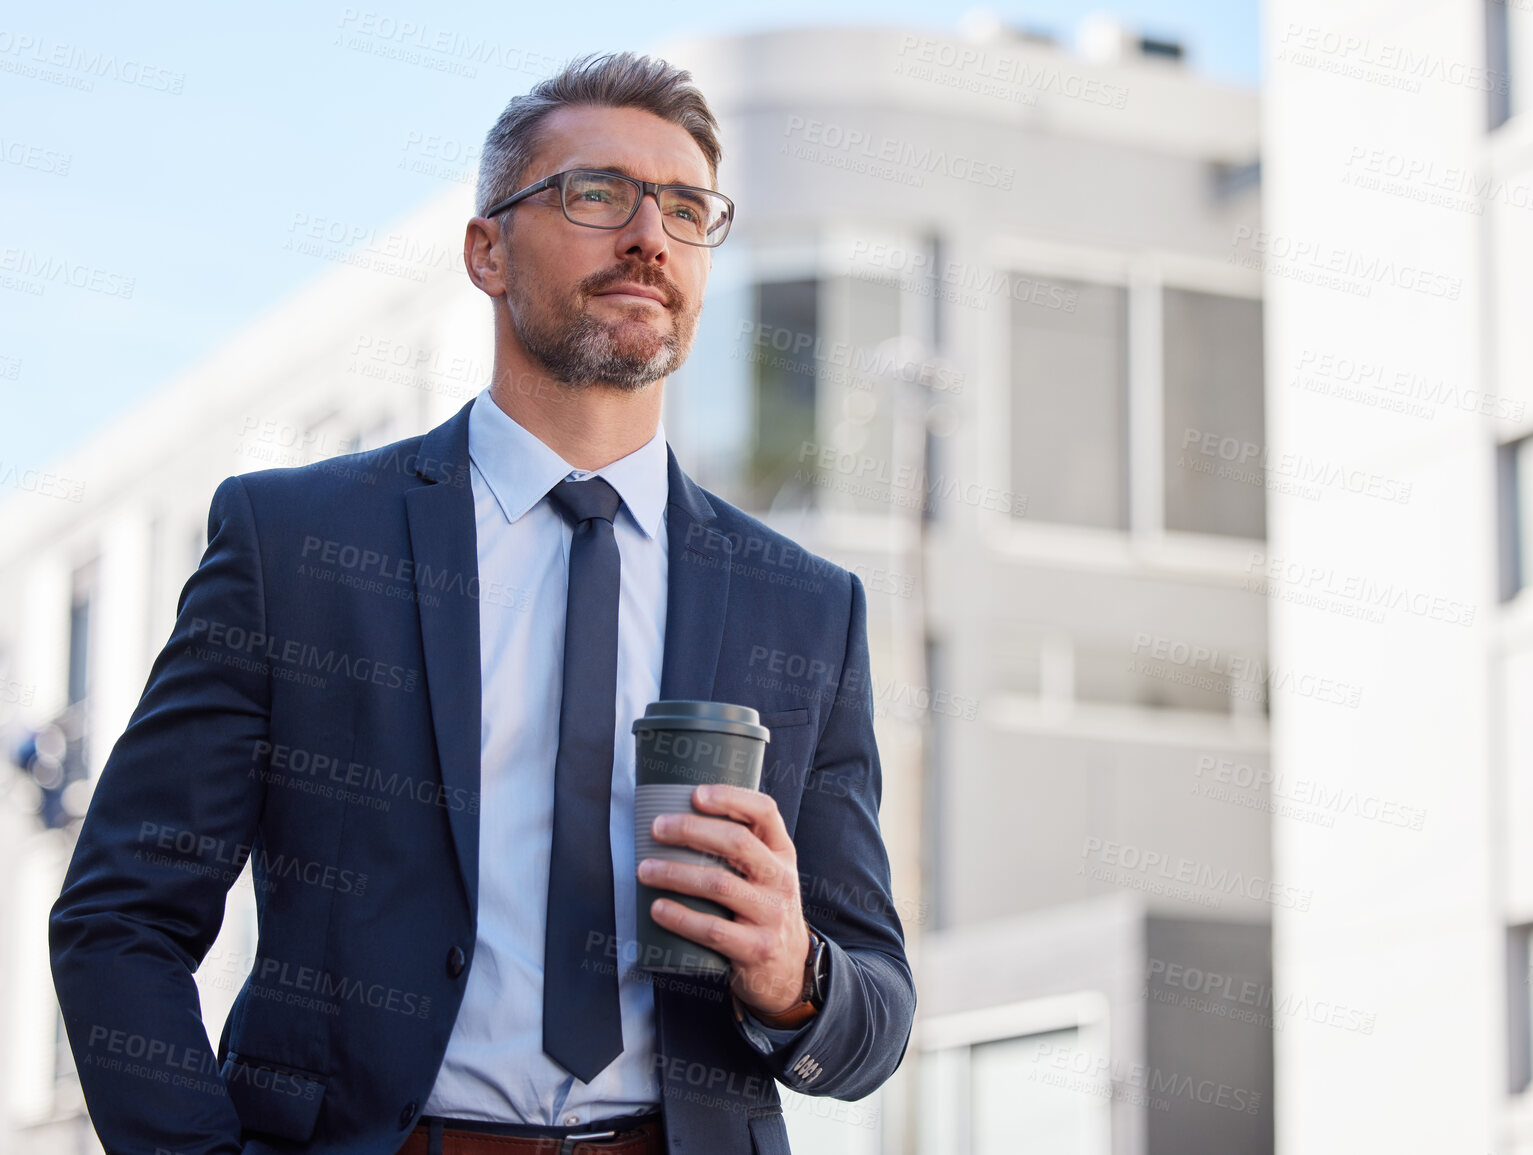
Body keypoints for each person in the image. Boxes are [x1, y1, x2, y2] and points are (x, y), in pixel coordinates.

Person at [49, 50, 914, 1155]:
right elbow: (119, 921)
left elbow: (876, 1004)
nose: (651, 234)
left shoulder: (807, 608)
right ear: (486, 249)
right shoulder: (298, 549)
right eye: (597, 193)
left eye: (688, 209)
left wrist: (799, 980)